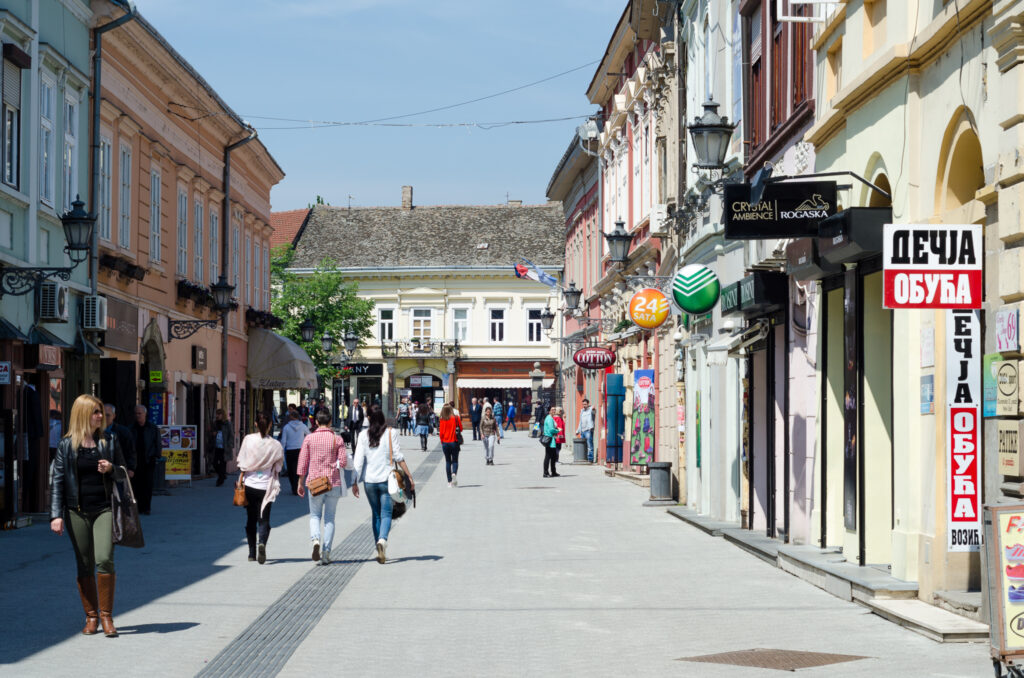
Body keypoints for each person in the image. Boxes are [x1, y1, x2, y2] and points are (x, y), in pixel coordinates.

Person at [49, 394, 128, 637]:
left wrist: (112, 469)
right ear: (83, 414)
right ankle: (91, 616)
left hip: (104, 509)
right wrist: (56, 515)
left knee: (104, 559)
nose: (100, 416)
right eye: (95, 411)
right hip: (76, 512)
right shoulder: (66, 445)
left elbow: (124, 473)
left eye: (101, 411)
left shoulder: (110, 440)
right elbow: (58, 481)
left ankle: (106, 616)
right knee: (83, 564)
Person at [353, 405, 413, 564]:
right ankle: (382, 540)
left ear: (368, 418)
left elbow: (358, 461)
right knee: (387, 514)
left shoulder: (362, 435)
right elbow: (399, 456)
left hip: (369, 481)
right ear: (383, 417)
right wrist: (409, 476)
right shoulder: (391, 433)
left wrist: (354, 481)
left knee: (376, 514)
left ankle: (377, 545)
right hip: (387, 480)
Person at [297, 410, 353, 565]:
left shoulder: (309, 438)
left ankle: (315, 539)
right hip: (332, 482)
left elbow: (303, 462)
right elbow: (342, 462)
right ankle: (326, 552)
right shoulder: (337, 439)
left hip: (314, 483)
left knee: (314, 515)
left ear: (316, 423)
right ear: (330, 423)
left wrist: (300, 482)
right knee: (330, 518)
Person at [237, 412, 284, 564]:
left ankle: (251, 552)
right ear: (270, 425)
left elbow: (241, 461)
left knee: (250, 519)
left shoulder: (248, 439)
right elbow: (278, 466)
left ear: (256, 424)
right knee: (264, 519)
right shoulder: (275, 445)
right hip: (266, 486)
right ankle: (262, 541)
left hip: (249, 485)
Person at [132, 405, 161, 515]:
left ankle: (146, 507)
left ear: (145, 414)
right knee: (137, 485)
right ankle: (139, 507)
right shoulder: (131, 428)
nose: (138, 415)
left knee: (148, 485)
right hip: (135, 461)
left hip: (148, 460)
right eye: (136, 413)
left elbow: (157, 443)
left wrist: (157, 455)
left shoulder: (152, 428)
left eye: (140, 413)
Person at [278, 410, 308, 495]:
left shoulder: (286, 427)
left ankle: (294, 487)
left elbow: (283, 441)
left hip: (290, 451)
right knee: (299, 469)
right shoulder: (302, 426)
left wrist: (281, 451)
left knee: (291, 470)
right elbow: (309, 434)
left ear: (291, 417)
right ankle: (298, 486)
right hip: (300, 450)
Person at [103, 404, 136, 477]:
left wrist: (131, 468)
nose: (104, 418)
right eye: (103, 414)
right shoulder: (96, 431)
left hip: (118, 468)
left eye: (108, 415)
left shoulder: (123, 432)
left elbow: (130, 450)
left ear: (114, 416)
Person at [438, 403, 462, 487]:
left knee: (448, 461)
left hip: (445, 443)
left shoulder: (442, 419)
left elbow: (441, 433)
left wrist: (442, 442)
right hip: (454, 442)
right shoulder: (456, 418)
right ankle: (454, 473)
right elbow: (461, 428)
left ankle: (449, 482)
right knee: (455, 460)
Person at [211, 408, 234, 486]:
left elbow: (231, 435)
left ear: (222, 415)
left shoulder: (227, 424)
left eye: (219, 414)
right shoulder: (215, 423)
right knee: (214, 463)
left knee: (222, 464)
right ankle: (222, 475)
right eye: (217, 414)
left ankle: (220, 480)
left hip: (224, 447)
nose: (217, 415)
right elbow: (211, 433)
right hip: (216, 446)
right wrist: (213, 434)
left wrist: (229, 445)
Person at [542, 407, 562, 478]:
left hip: (551, 440)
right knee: (548, 456)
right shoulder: (549, 419)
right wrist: (558, 430)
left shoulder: (550, 418)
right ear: (549, 411)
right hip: (550, 440)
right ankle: (545, 473)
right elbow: (551, 429)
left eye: (554, 410)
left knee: (553, 457)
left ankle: (553, 472)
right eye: (552, 410)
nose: (554, 411)